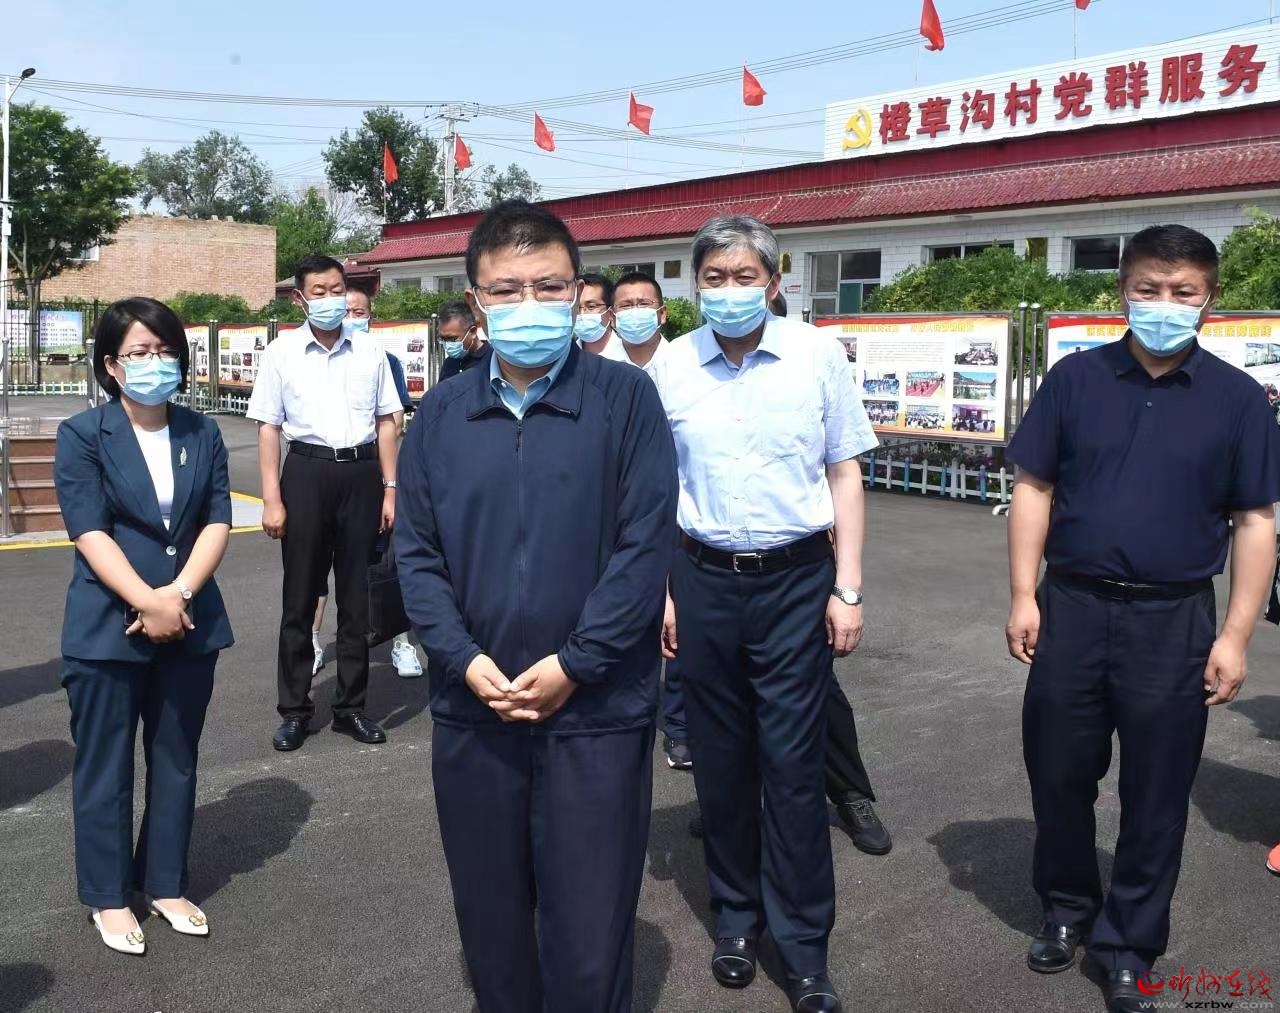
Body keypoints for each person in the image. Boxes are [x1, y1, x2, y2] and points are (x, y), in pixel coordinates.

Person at [395, 199, 677, 1012]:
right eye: (507, 289)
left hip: (596, 712)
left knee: (589, 940)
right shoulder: (442, 413)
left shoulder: (626, 401)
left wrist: (574, 664)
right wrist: (464, 659)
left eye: (549, 287)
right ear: (476, 300)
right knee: (493, 932)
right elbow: (416, 554)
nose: (530, 304)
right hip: (475, 710)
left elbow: (644, 547)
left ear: (579, 290)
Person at [1005, 225, 1280, 1013]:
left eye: (1184, 291)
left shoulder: (1238, 400)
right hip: (1073, 607)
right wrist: (1023, 593)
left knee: (1157, 792)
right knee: (1059, 772)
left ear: (1210, 300)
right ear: (1123, 290)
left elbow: (1256, 521)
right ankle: (1066, 907)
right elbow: (1034, 487)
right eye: (1149, 288)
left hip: (1175, 619)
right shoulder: (1076, 380)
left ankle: (1129, 943)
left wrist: (1235, 635)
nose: (1166, 303)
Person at [650, 215, 877, 1013]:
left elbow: (845, 473)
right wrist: (666, 592)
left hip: (795, 580)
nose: (730, 291)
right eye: (714, 277)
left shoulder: (816, 356)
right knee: (720, 762)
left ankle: (805, 946)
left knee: (792, 766)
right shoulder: (672, 366)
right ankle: (737, 920)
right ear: (695, 285)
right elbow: (657, 491)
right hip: (702, 578)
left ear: (775, 283)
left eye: (745, 276)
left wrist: (848, 587)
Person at [54, 297, 235, 955]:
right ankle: (108, 895)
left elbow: (217, 519)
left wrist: (178, 594)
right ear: (111, 364)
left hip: (191, 620)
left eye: (164, 351)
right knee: (105, 767)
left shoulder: (202, 432)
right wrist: (145, 601)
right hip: (107, 626)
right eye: (139, 352)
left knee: (176, 758)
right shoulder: (83, 434)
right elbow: (89, 530)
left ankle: (164, 883)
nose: (155, 362)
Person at [247, 254, 402, 752]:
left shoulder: (371, 350)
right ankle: (294, 710)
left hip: (361, 475)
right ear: (300, 298)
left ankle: (351, 708)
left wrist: (390, 487)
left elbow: (387, 421)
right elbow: (268, 428)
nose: (331, 299)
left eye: (337, 289)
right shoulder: (282, 353)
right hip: (306, 473)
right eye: (320, 291)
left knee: (357, 599)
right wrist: (272, 498)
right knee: (300, 597)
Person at [310, 289, 425, 679]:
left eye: (358, 311)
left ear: (370, 316)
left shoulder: (383, 359)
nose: (350, 317)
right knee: (317, 565)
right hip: (324, 475)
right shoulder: (309, 356)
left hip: (374, 473)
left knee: (385, 563)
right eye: (346, 311)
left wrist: (386, 479)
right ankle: (312, 641)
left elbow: (394, 420)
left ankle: (400, 641)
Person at [576, 271, 628, 360]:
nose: (582, 313)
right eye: (577, 307)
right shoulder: (565, 356)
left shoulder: (628, 357)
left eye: (591, 306)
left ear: (610, 313)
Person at [437, 299, 489, 381]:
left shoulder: (493, 361)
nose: (447, 344)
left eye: (452, 338)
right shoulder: (449, 363)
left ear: (472, 332)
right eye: (443, 339)